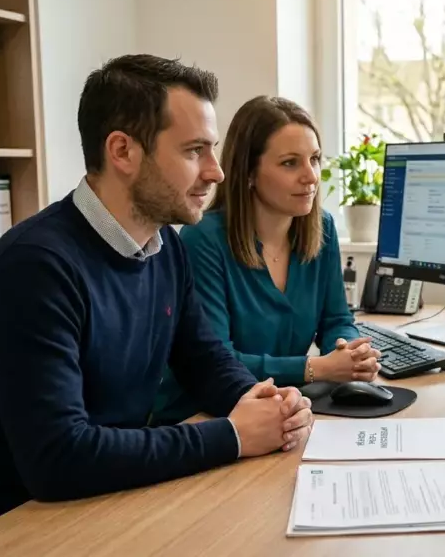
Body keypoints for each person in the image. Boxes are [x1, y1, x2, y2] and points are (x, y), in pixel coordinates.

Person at [0, 55, 314, 549]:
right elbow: (59, 458)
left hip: (98, 503)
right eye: (195, 151)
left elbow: (203, 358)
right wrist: (232, 436)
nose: (216, 172)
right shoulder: (35, 267)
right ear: (123, 151)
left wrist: (264, 401)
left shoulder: (164, 248)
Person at [152, 95, 379, 425]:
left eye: (314, 159)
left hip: (281, 409)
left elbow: (335, 318)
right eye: (290, 163)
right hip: (202, 417)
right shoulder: (203, 239)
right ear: (248, 173)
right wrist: (315, 368)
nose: (311, 176)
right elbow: (216, 360)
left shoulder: (323, 228)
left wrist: (347, 352)